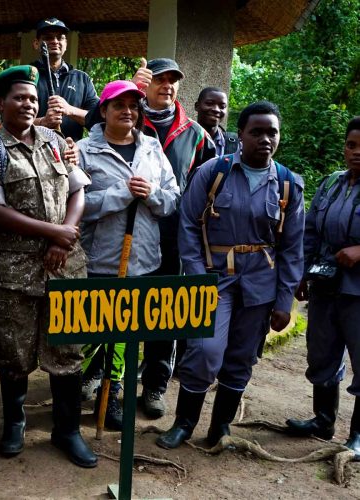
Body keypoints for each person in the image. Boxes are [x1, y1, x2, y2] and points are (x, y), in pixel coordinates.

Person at [156, 101, 305, 450]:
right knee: (206, 352)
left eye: (272, 132)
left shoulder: (288, 185)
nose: (265, 139)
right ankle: (183, 424)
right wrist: (196, 275)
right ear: (241, 134)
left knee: (240, 357)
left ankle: (220, 428)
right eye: (257, 132)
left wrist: (284, 301)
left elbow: (292, 248)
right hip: (214, 279)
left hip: (261, 285)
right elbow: (189, 225)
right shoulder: (213, 172)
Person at [0, 65, 96, 467]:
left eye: (32, 97)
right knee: (13, 352)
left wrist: (66, 232)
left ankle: (68, 431)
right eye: (19, 97)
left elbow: (78, 191)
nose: (27, 104)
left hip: (65, 266)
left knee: (68, 348)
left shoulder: (55, 140)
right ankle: (14, 424)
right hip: (15, 274)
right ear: (0, 103)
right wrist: (53, 233)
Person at [77, 80, 179, 430]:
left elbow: (173, 198)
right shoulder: (82, 151)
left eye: (133, 106)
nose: (128, 112)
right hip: (99, 259)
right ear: (103, 111)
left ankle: (113, 392)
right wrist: (119, 194)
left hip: (142, 259)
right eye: (119, 106)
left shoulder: (151, 148)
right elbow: (72, 204)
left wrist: (151, 194)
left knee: (123, 333)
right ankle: (83, 381)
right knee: (90, 330)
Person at [138, 58, 215, 419]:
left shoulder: (197, 134)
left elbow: (210, 185)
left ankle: (155, 383)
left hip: (174, 238)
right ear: (147, 84)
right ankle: (106, 378)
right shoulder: (127, 116)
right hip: (128, 233)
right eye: (159, 79)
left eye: (173, 81)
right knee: (117, 305)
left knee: (162, 312)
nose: (166, 86)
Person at [286, 116, 360, 459]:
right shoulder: (332, 184)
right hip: (326, 285)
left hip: (358, 291)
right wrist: (301, 273)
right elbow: (311, 231)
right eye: (352, 145)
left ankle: (357, 437)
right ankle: (323, 420)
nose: (357, 152)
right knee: (321, 353)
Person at [31, 18, 152, 143]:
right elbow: (10, 120)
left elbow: (99, 117)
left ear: (66, 43)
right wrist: (42, 122)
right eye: (48, 37)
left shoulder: (81, 78)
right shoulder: (26, 76)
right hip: (31, 154)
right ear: (36, 43)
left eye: (60, 37)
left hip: (71, 153)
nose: (54, 41)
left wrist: (69, 110)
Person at [195, 86, 238, 156]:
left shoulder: (235, 143)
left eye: (222, 106)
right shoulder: (183, 138)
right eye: (209, 103)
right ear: (197, 106)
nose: (216, 110)